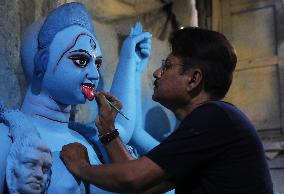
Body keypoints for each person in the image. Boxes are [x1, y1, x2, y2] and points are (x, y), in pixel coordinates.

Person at [60, 27, 274, 194]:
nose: (156, 72)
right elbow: (143, 187)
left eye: (167, 65)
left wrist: (81, 167)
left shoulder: (215, 118)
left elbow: (133, 178)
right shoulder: (209, 124)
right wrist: (108, 129)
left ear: (194, 79)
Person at [0, 2, 151, 194]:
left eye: (97, 64)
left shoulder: (87, 137)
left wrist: (130, 60)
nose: (95, 75)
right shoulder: (8, 138)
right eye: (80, 61)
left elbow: (121, 128)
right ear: (41, 62)